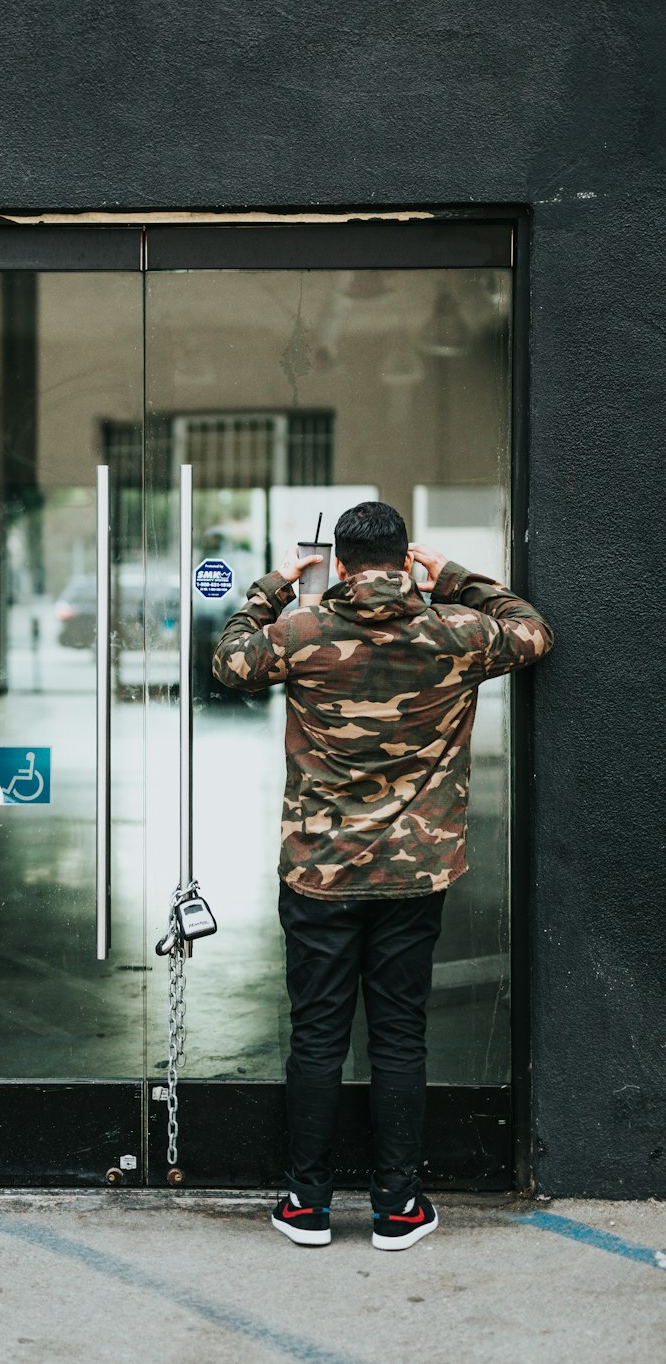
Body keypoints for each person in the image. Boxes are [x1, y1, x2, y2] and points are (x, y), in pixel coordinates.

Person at [212, 501, 552, 1251]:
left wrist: (272, 585)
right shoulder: (453, 633)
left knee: (317, 1035)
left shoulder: (302, 632)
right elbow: (532, 629)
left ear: (338, 565)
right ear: (404, 562)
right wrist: (453, 577)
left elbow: (231, 660)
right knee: (399, 1035)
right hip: (414, 874)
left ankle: (307, 1204)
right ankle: (398, 1208)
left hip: (318, 876)